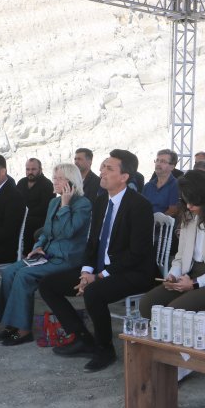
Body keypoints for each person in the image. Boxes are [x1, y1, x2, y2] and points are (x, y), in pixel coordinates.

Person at [38, 150, 155, 373]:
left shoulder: (140, 205)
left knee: (94, 292)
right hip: (101, 269)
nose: (101, 171)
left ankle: (105, 349)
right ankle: (82, 338)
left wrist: (99, 276)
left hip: (134, 271)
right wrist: (86, 271)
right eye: (102, 167)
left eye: (109, 168)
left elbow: (137, 253)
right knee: (48, 285)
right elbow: (92, 243)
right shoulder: (101, 201)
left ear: (124, 177)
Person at [0, 163, 92, 346]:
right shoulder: (54, 202)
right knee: (9, 272)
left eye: (59, 178)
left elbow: (68, 231)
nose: (54, 181)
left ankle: (23, 330)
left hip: (66, 258)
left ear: (71, 182)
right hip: (47, 254)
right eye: (54, 177)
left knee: (24, 275)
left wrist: (65, 205)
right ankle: (11, 324)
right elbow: (46, 232)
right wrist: (38, 246)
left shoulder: (83, 204)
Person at [139, 170, 205, 317]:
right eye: (185, 200)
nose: (189, 206)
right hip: (189, 275)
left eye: (193, 201)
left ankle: (173, 339)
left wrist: (195, 283)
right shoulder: (189, 218)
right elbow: (180, 256)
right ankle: (159, 339)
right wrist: (173, 275)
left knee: (175, 311)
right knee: (147, 304)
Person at [17, 158, 55, 255]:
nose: (30, 172)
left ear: (40, 170)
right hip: (21, 218)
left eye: (33, 169)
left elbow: (44, 208)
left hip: (38, 221)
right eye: (28, 169)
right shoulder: (21, 183)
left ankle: (28, 255)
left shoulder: (47, 185)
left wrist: (24, 214)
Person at [142, 149, 180, 216]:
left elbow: (173, 211)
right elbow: (140, 206)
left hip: (164, 225)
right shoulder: (148, 186)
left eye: (163, 161)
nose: (158, 164)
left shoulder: (175, 185)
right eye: (157, 160)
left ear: (172, 167)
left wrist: (153, 222)